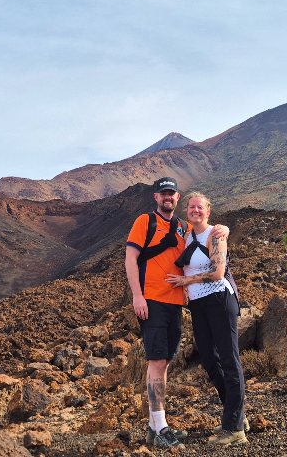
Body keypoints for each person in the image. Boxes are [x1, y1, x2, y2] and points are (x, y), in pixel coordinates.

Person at [124, 177, 228, 449]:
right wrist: (137, 296)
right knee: (157, 361)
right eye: (163, 193)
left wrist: (224, 229)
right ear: (156, 197)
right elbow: (131, 259)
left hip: (176, 302)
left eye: (171, 193)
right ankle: (160, 428)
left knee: (165, 361)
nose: (167, 197)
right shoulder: (145, 222)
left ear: (177, 198)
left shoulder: (183, 227)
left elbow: (206, 232)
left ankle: (155, 426)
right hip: (152, 300)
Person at [166, 191, 248, 446]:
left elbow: (218, 272)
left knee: (229, 359)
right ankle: (236, 413)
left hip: (219, 300)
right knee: (210, 360)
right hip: (198, 304)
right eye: (191, 207)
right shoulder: (187, 236)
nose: (195, 210)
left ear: (208, 211)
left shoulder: (216, 234)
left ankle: (234, 429)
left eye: (200, 207)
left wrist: (186, 280)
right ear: (186, 211)